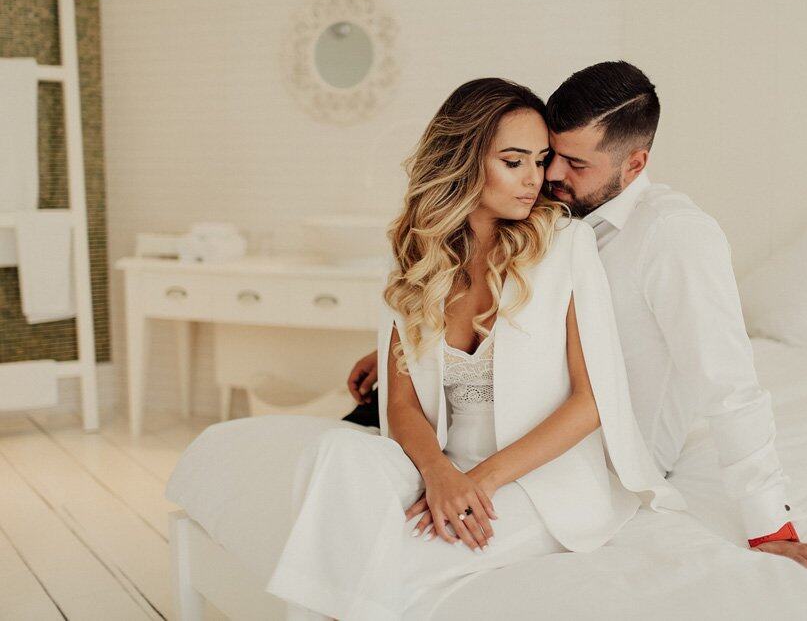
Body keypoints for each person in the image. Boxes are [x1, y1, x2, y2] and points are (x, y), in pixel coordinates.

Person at [347, 61, 807, 574]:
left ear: (633, 165)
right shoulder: (543, 213)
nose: (549, 176)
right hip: (477, 417)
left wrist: (771, 526)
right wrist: (417, 347)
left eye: (574, 164)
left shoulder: (675, 237)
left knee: (394, 554)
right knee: (345, 486)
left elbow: (728, 383)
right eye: (550, 155)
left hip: (595, 453)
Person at [265, 78, 683, 620]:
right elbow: (402, 403)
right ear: (464, 161)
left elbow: (591, 401)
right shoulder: (416, 258)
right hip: (445, 462)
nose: (537, 179)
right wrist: (440, 475)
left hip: (536, 482)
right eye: (515, 161)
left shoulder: (564, 245)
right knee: (335, 453)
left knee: (393, 558)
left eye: (541, 160)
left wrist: (475, 484)